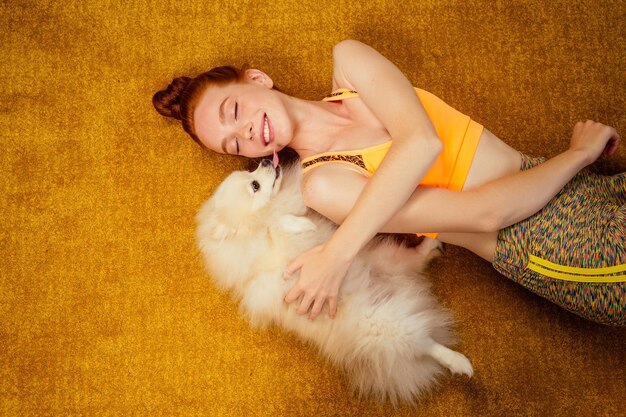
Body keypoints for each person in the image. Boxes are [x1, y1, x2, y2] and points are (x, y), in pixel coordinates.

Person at [153, 40, 625, 325]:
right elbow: (487, 214)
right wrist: (578, 155)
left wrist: (337, 255)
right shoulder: (325, 184)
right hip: (546, 244)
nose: (246, 134)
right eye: (234, 146)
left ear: (257, 79)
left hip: (567, 185)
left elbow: (421, 142)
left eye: (234, 112)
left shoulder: (350, 61)